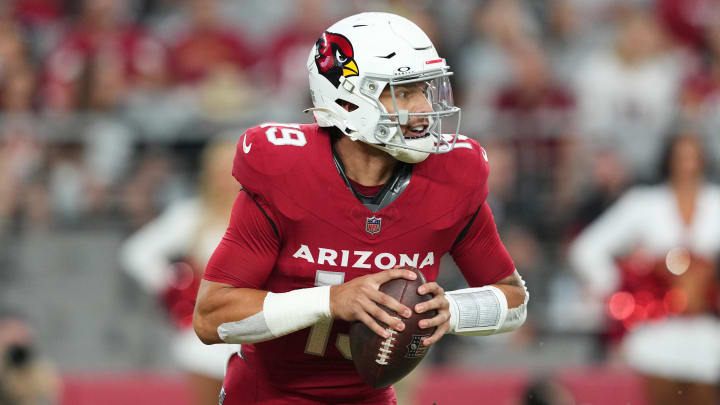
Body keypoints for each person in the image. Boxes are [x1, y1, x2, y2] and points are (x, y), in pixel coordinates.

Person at [193, 12, 529, 404]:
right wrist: (331, 301)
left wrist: (451, 310)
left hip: (369, 397)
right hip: (269, 395)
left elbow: (513, 300)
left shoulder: (452, 176)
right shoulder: (286, 171)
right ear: (348, 98)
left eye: (425, 89)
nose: (423, 108)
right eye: (403, 92)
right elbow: (211, 317)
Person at [569, 132, 720, 405]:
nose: (688, 165)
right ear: (668, 160)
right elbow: (587, 249)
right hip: (656, 330)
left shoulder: (716, 202)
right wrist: (622, 285)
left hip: (708, 328)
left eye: (694, 157)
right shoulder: (644, 204)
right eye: (681, 157)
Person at [120, 140, 239, 405]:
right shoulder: (193, 215)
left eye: (234, 171)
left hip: (253, 329)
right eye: (221, 172)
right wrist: (177, 291)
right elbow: (137, 252)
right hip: (206, 337)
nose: (229, 180)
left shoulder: (262, 214)